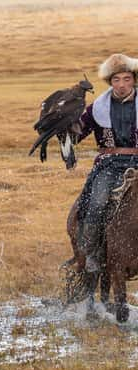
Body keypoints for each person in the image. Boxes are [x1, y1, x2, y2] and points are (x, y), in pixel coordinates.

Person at [76, 53, 138, 273]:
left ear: (134, 79)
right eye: (116, 80)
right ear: (110, 82)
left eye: (126, 79)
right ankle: (92, 254)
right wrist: (62, 124)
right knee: (97, 202)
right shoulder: (96, 109)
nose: (121, 85)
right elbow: (76, 134)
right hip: (109, 164)